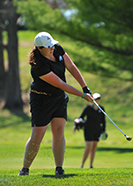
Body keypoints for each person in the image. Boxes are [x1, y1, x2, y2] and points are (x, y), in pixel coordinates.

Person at [18, 32, 93, 176]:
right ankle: (25, 169)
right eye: (48, 47)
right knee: (37, 135)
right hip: (41, 100)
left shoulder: (57, 48)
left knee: (59, 131)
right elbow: (60, 84)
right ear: (40, 49)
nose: (52, 48)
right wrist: (83, 95)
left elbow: (71, 67)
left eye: (52, 45)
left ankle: (59, 168)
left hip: (58, 98)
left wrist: (85, 87)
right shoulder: (38, 66)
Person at [78, 93, 106, 168]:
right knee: (88, 147)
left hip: (97, 130)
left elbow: (103, 121)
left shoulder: (101, 109)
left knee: (94, 148)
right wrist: (78, 122)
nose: (97, 100)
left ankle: (91, 165)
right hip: (88, 129)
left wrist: (103, 130)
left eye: (98, 99)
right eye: (95, 99)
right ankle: (82, 164)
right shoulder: (88, 108)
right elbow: (81, 117)